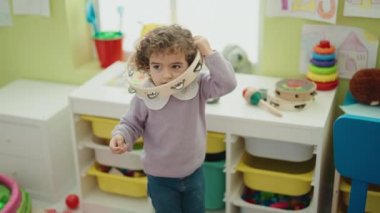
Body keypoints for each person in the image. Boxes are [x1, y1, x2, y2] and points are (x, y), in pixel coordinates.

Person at [109, 24, 237, 213]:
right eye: (157, 67)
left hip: (194, 172)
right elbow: (131, 123)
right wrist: (121, 136)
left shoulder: (198, 85)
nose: (166, 75)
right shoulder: (145, 95)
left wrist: (209, 53)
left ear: (189, 65)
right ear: (147, 66)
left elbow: (227, 83)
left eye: (176, 66)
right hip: (160, 178)